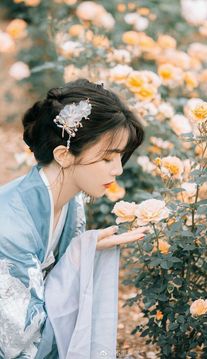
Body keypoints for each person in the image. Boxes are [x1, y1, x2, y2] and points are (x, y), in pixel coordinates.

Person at [0, 78, 148, 359]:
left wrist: (87, 248)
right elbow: (19, 340)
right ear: (64, 155)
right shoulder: (10, 227)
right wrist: (79, 254)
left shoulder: (72, 200)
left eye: (121, 157)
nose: (118, 170)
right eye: (107, 159)